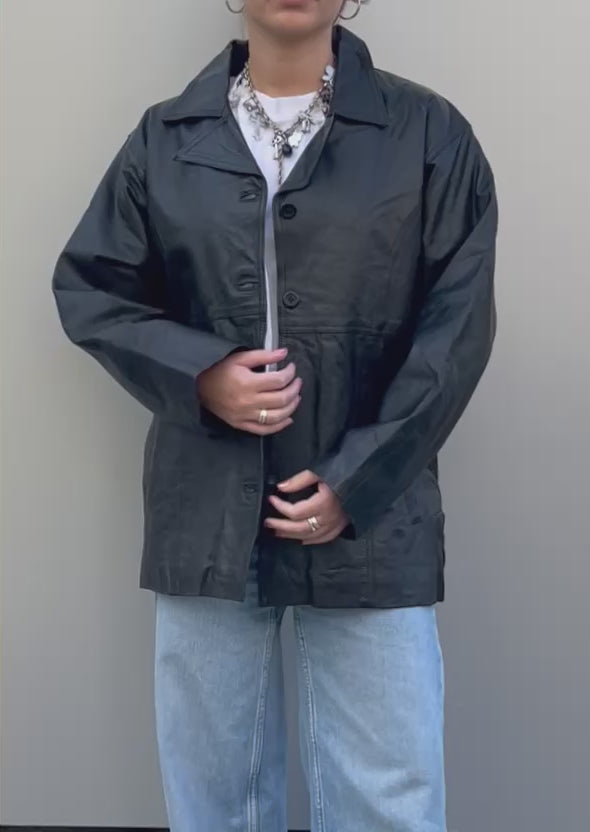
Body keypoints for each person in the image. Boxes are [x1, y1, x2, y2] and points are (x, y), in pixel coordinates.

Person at [52, 0, 498, 829]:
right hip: (206, 507)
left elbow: (457, 328)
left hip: (374, 519)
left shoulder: (427, 135)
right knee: (213, 802)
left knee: (388, 800)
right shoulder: (165, 138)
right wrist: (202, 375)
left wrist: (358, 481)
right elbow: (92, 290)